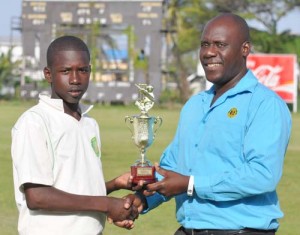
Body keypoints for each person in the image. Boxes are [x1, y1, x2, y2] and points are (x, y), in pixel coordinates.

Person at [133, 13, 292, 235]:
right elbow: (172, 169)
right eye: (205, 44)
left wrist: (190, 184)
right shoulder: (194, 104)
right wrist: (141, 200)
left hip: (241, 230)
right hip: (189, 229)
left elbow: (261, 175)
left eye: (220, 45)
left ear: (244, 49)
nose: (209, 52)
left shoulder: (265, 104)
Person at [11, 35, 139, 235]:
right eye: (65, 71)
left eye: (82, 70)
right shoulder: (34, 122)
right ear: (48, 74)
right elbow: (37, 196)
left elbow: (76, 191)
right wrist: (106, 204)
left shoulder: (89, 123)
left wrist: (114, 185)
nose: (75, 79)